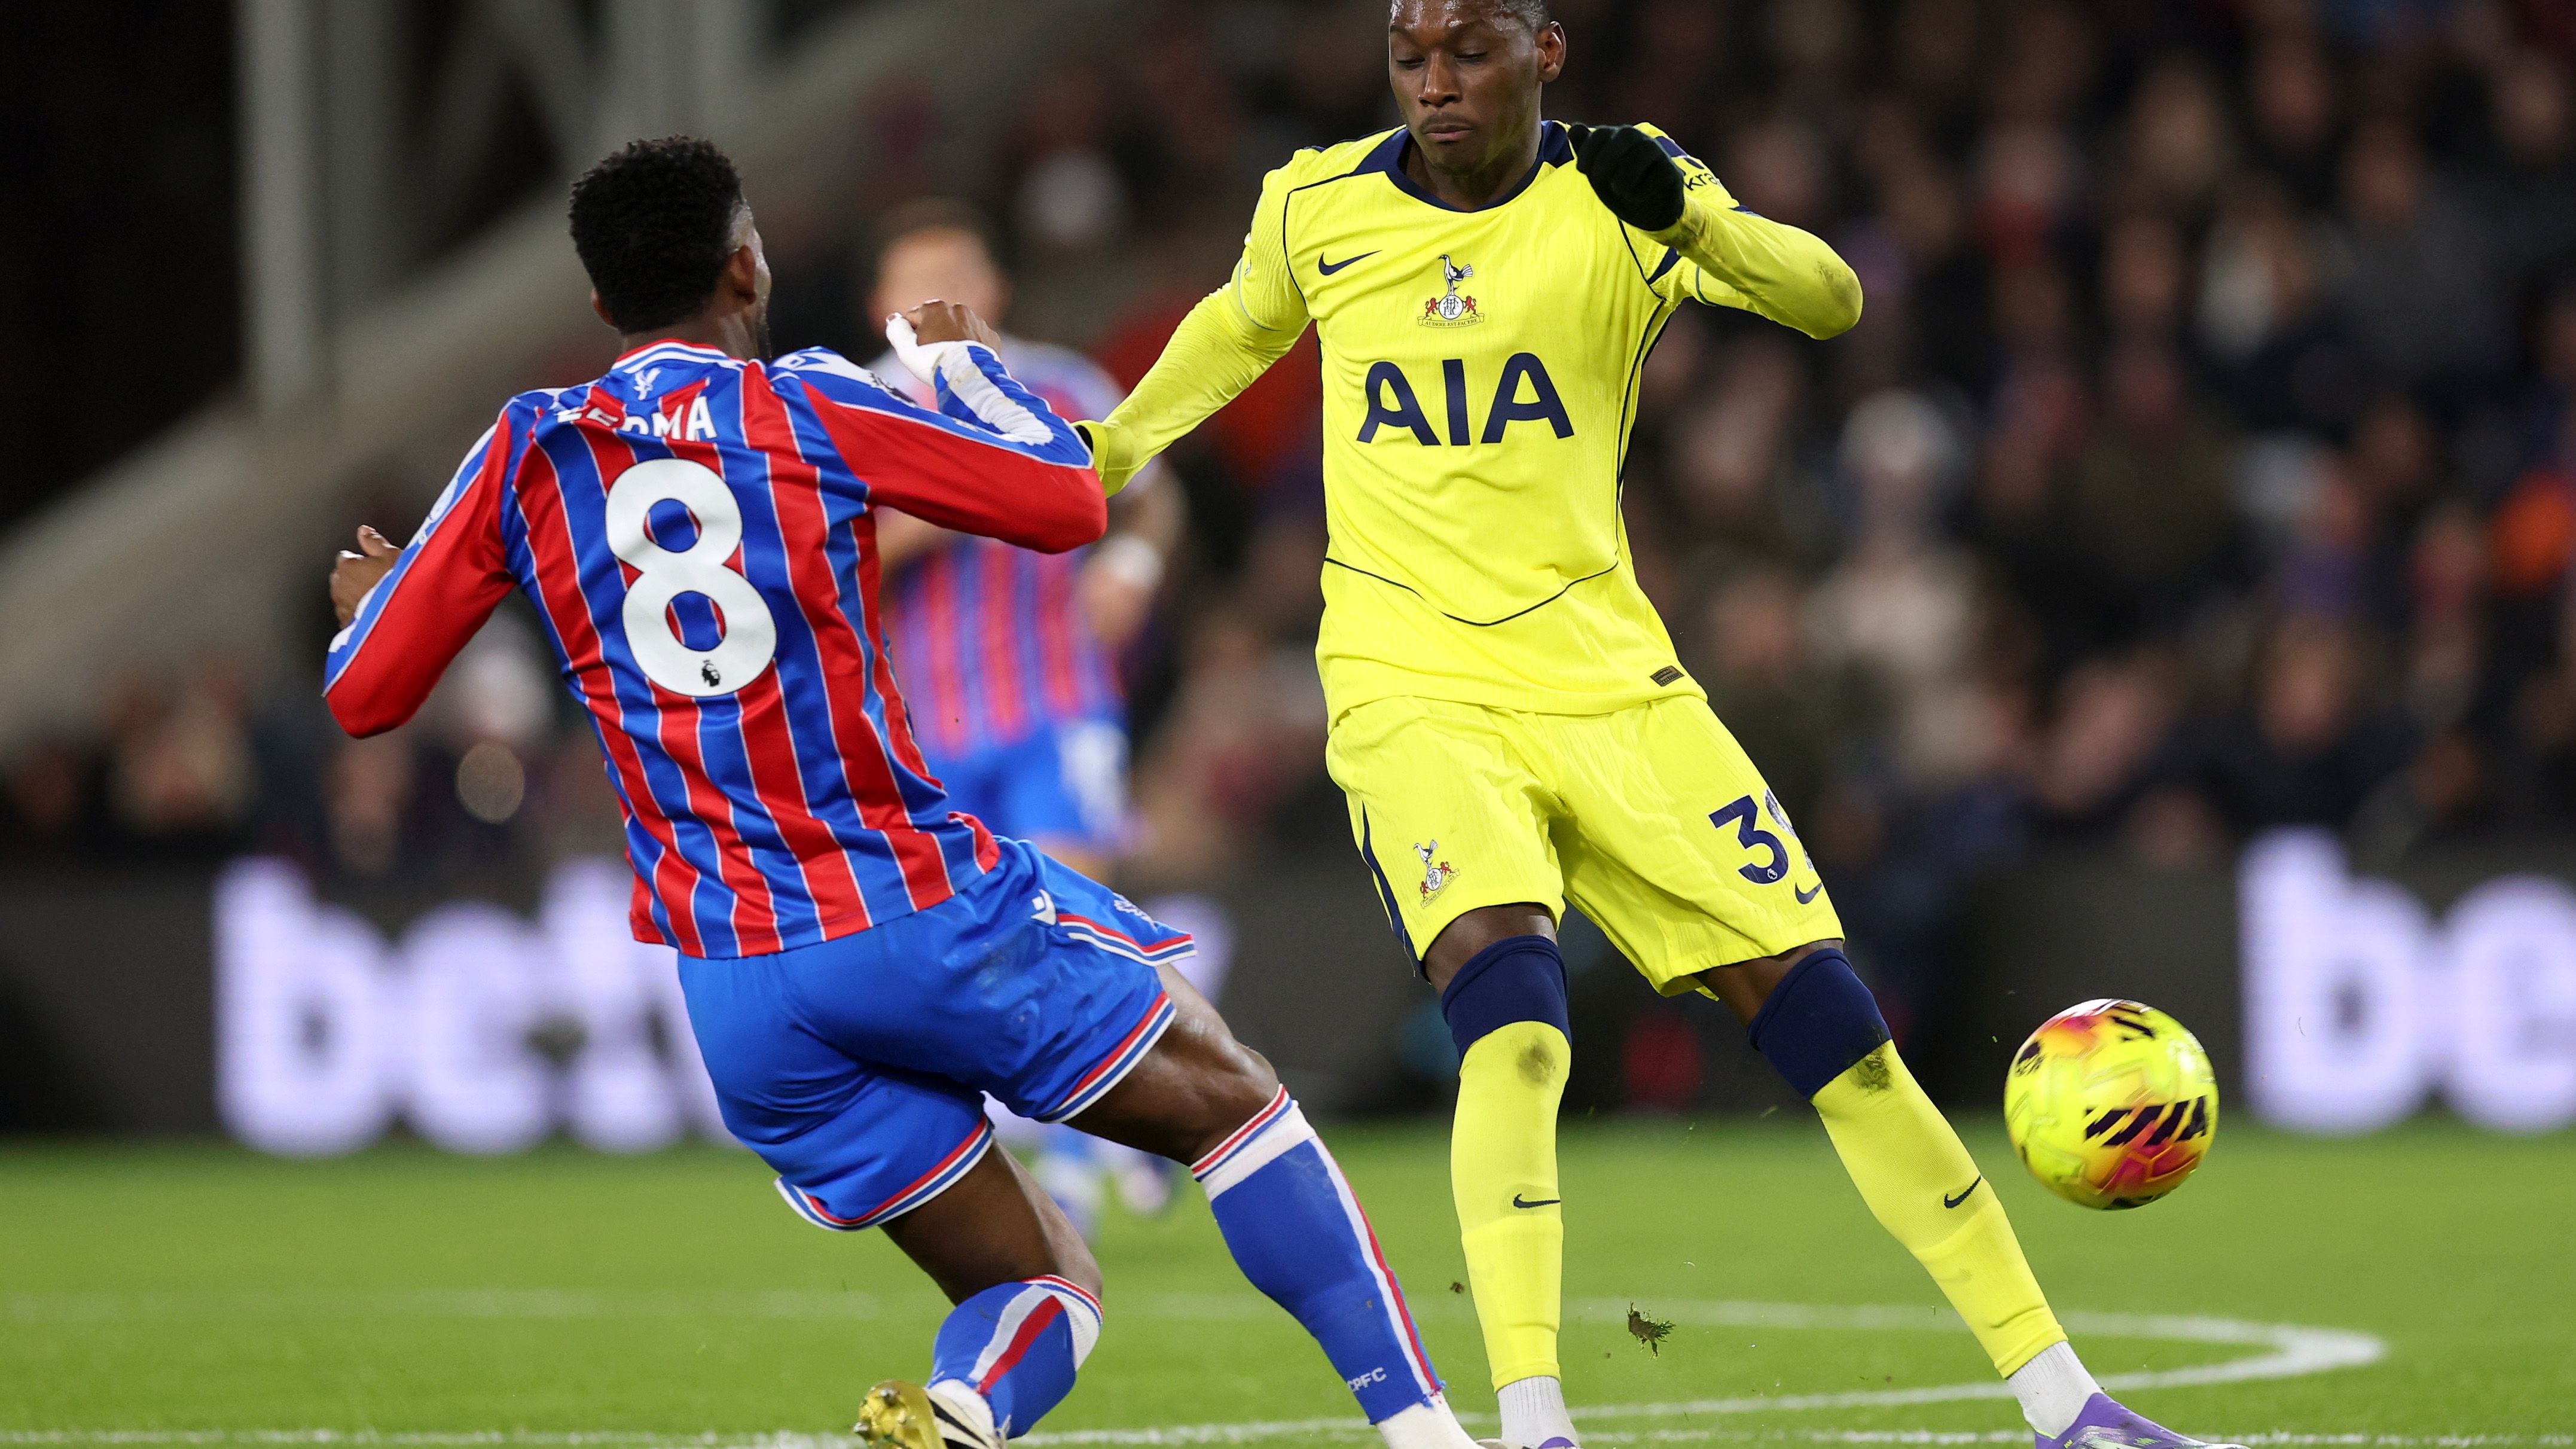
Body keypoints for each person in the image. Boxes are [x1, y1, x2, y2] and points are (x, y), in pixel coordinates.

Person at [1071, 6, 2245, 1449]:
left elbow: (1830, 302)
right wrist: (1108, 448)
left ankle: (2067, 1405)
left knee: (1843, 1037)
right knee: (1516, 1024)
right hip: (1410, 682)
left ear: (1546, 52)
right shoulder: (1315, 203)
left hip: (1616, 682)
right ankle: (1537, 1423)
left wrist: (1698, 213)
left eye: (1469, 51)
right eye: (1410, 53)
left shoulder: (1623, 196)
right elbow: (1234, 330)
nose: (1435, 82)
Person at [321, 136, 1482, 1449]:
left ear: (599, 306)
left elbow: (366, 694)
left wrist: (369, 615)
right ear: (747, 266)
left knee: (1041, 1278)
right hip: (912, 910)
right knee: (1237, 1108)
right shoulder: (810, 404)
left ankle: (955, 1413)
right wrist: (965, 371)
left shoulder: (526, 448)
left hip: (742, 991)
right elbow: (1065, 499)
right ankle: (1428, 1434)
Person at [864, 200, 1191, 1236]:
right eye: (913, 287)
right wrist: (953, 496)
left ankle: (1159, 1119)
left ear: (992, 290)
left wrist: (1132, 565)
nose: (933, 303)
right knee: (975, 952)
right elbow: (842, 564)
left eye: (953, 277)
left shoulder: (1061, 387)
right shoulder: (855, 411)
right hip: (928, 738)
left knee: (1072, 917)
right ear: (881, 311)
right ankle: (1086, 1143)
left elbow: (1153, 492)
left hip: (1056, 706)